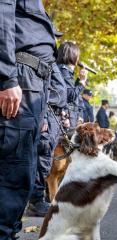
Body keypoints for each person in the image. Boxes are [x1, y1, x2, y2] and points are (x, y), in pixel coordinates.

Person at [0, 1, 59, 238]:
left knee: (22, 171)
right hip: (20, 77)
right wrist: (6, 77)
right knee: (13, 173)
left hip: (32, 82)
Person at [27, 62, 67, 217]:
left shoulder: (51, 61)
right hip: (45, 114)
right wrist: (42, 115)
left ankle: (38, 200)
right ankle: (36, 201)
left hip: (53, 116)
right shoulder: (48, 60)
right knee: (42, 160)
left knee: (44, 162)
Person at [57, 41, 87, 135]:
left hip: (70, 116)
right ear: (72, 55)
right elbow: (70, 96)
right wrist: (82, 81)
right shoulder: (63, 70)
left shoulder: (63, 70)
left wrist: (78, 79)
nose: (78, 58)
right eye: (77, 55)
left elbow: (70, 91)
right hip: (66, 118)